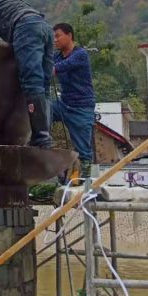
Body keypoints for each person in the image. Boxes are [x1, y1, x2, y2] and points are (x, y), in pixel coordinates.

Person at [0, 0, 53, 148]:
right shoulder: (13, 0)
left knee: (32, 81)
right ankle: (46, 135)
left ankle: (41, 138)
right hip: (45, 27)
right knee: (44, 85)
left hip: (25, 28)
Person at [52, 23, 96, 179]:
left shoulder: (80, 54)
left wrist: (43, 68)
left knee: (84, 152)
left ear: (69, 35)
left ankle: (84, 184)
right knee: (41, 109)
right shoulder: (56, 56)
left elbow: (60, 67)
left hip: (82, 108)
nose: (54, 40)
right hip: (63, 104)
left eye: (58, 36)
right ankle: (45, 144)